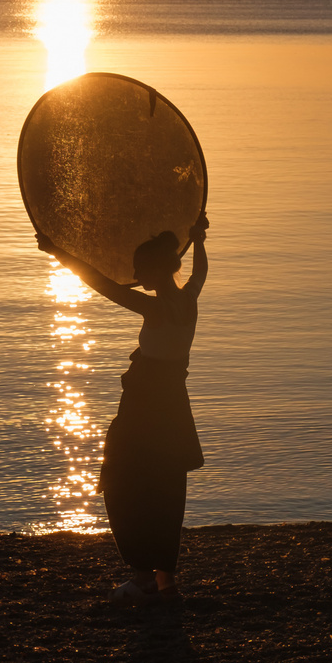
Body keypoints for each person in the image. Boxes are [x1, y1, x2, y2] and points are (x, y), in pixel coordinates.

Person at [38, 213, 209, 605]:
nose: (134, 273)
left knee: (123, 483)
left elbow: (99, 283)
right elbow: (199, 271)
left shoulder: (155, 308)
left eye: (139, 267)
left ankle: (141, 577)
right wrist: (199, 240)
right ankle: (165, 581)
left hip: (146, 408)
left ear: (153, 269)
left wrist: (56, 252)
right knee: (167, 489)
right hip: (173, 406)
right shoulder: (188, 298)